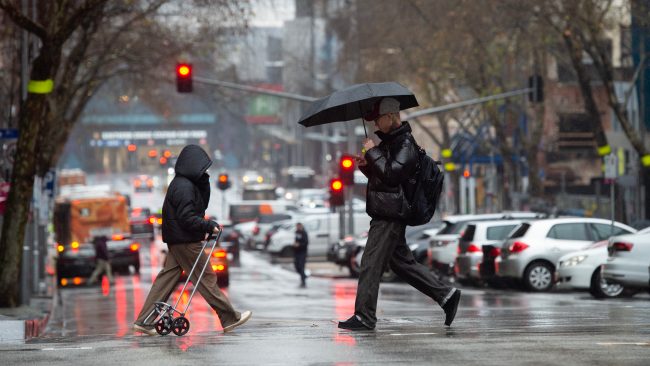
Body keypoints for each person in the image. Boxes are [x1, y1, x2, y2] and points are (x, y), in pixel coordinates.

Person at [337, 97, 461, 331]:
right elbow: (384, 179)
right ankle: (447, 296)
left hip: (390, 215)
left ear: (391, 116)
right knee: (403, 264)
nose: (375, 125)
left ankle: (364, 316)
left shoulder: (405, 144)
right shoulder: (391, 143)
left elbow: (393, 175)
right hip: (386, 209)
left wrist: (373, 152)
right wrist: (367, 164)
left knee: (370, 263)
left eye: (378, 119)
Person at [132, 144, 252, 336]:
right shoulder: (184, 187)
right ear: (193, 166)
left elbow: (197, 206)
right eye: (203, 169)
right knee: (206, 278)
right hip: (186, 241)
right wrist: (207, 225)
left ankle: (144, 321)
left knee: (166, 279)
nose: (205, 172)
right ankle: (229, 318)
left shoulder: (183, 184)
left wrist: (204, 182)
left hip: (178, 240)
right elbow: (187, 218)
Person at [293, 222, 309, 288]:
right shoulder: (297, 232)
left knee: (301, 266)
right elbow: (296, 240)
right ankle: (304, 276)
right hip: (297, 252)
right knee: (297, 266)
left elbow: (306, 242)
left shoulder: (304, 233)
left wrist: (300, 245)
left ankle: (303, 281)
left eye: (299, 226)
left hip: (302, 252)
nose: (298, 227)